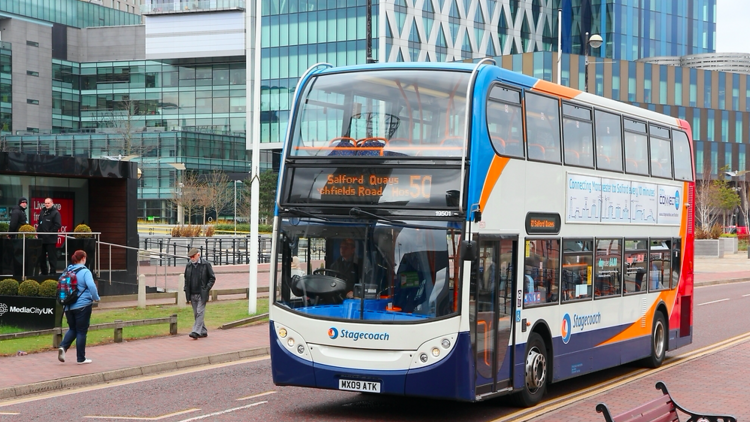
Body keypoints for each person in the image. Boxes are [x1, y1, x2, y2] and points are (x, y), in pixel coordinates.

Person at [57, 250, 100, 365]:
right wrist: (96, 297)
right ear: (83, 259)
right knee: (81, 331)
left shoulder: (67, 270)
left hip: (68, 306)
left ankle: (63, 347)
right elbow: (91, 285)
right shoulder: (85, 271)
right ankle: (81, 358)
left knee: (73, 329)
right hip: (83, 305)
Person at [184, 248, 215, 339]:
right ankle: (203, 331)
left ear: (198, 255)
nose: (191, 259)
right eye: (190, 257)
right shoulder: (189, 266)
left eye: (193, 256)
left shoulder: (206, 264)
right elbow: (186, 278)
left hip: (202, 293)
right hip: (192, 293)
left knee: (200, 312)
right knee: (196, 314)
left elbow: (212, 278)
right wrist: (186, 289)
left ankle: (195, 331)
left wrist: (206, 288)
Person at [37, 198, 62, 275]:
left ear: (52, 203)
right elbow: (39, 223)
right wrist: (38, 232)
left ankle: (52, 272)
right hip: (42, 238)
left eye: (48, 203)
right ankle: (44, 272)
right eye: (45, 203)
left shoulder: (55, 213)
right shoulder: (42, 212)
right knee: (42, 257)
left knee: (52, 257)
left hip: (51, 239)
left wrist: (49, 233)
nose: (47, 205)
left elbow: (58, 225)